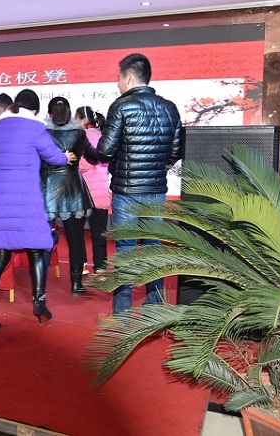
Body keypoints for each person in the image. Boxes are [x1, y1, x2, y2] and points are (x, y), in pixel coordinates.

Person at [0, 89, 76, 330]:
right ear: (35, 109)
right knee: (36, 249)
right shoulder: (35, 127)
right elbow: (52, 156)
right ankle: (39, 303)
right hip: (24, 195)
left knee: (1, 254)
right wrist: (65, 157)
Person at [97, 53, 182, 315]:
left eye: (118, 78)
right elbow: (176, 151)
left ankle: (122, 313)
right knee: (153, 248)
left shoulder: (121, 106)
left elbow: (105, 151)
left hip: (126, 190)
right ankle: (154, 307)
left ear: (130, 78)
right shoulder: (170, 108)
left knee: (125, 248)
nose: (117, 83)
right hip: (156, 190)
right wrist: (156, 169)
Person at [41, 97, 97, 296]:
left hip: (47, 189)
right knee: (76, 239)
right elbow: (94, 157)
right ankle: (76, 284)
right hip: (74, 190)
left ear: (49, 114)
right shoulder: (79, 133)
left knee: (43, 238)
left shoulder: (42, 133)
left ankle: (40, 286)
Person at [74, 106, 110, 274]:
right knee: (99, 233)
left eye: (76, 118)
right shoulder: (104, 137)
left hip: (84, 192)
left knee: (77, 232)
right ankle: (101, 268)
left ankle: (81, 264)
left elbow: (83, 164)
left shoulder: (81, 137)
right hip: (101, 191)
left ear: (83, 119)